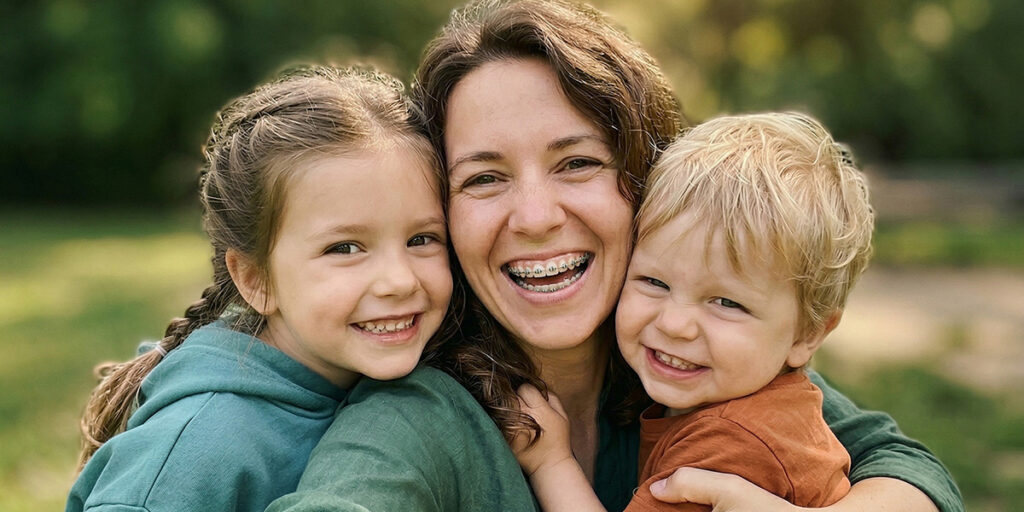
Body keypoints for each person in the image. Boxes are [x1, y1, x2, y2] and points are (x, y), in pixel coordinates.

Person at [269, 1, 963, 511]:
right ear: (439, 213)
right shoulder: (422, 416)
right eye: (484, 177)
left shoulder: (680, 361)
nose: (537, 218)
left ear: (645, 183)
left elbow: (906, 463)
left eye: (576, 163)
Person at [65, 65, 453, 512]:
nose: (400, 281)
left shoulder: (352, 372)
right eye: (345, 248)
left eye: (421, 239)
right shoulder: (202, 445)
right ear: (254, 279)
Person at [514, 111, 874, 511]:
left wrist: (552, 462)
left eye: (726, 303)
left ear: (808, 334)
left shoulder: (729, 445)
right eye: (654, 282)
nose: (674, 324)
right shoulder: (769, 404)